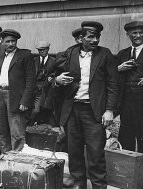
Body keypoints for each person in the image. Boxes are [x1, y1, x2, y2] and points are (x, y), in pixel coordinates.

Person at [54, 21, 118, 189]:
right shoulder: (69, 54)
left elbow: (113, 84)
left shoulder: (105, 55)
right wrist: (57, 80)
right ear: (81, 38)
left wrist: (109, 110)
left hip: (93, 111)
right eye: (91, 37)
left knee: (96, 154)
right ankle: (78, 185)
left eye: (97, 37)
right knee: (74, 153)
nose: (95, 40)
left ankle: (98, 186)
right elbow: (52, 76)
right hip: (72, 110)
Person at [0, 29, 36, 153]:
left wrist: (25, 101)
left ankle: (16, 160)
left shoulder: (25, 56)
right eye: (7, 41)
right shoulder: (0, 57)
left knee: (16, 129)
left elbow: (31, 81)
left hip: (15, 96)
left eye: (13, 41)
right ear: (2, 42)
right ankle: (5, 158)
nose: (10, 44)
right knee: (2, 129)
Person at [117, 21, 143, 153]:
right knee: (126, 135)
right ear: (128, 35)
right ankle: (127, 168)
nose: (138, 35)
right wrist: (119, 68)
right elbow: (109, 74)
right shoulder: (122, 53)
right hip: (126, 102)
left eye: (141, 32)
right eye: (134, 33)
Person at [30, 41, 56, 125]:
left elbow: (57, 72)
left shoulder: (54, 61)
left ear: (48, 49)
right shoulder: (33, 60)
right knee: (33, 110)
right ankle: (31, 125)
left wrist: (52, 77)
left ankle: (35, 124)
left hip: (46, 89)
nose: (41, 52)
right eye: (39, 50)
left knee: (38, 110)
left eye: (43, 50)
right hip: (34, 88)